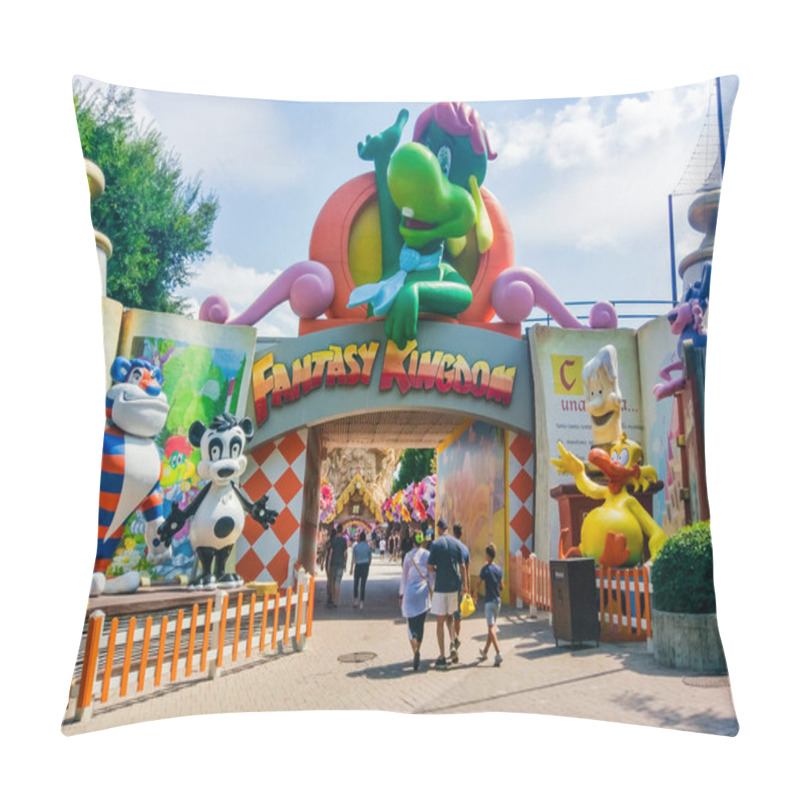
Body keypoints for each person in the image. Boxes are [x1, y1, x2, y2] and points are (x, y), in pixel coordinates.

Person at [426, 518, 467, 669]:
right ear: (448, 529)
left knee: (440, 622)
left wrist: (437, 570)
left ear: (438, 529)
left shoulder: (436, 544)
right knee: (451, 617)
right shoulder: (456, 543)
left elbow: (430, 566)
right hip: (453, 587)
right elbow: (462, 566)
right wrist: (465, 585)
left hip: (440, 587)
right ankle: (453, 641)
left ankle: (442, 656)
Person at [399, 529, 433, 671]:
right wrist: (432, 590)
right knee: (421, 624)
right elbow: (432, 575)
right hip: (423, 593)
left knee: (411, 624)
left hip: (410, 593)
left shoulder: (408, 557)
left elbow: (404, 577)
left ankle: (415, 649)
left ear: (413, 542)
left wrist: (401, 594)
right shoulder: (428, 555)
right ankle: (418, 645)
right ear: (422, 541)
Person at [476, 543, 504, 666]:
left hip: (489, 602)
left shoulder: (485, 569)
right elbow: (502, 586)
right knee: (490, 627)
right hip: (498, 601)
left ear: (487, 555)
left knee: (491, 628)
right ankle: (485, 651)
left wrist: (474, 593)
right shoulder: (498, 570)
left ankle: (498, 654)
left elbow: (478, 583)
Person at [452, 523, 471, 653]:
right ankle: (455, 639)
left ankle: (453, 640)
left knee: (449, 615)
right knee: (458, 616)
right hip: (460, 585)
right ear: (462, 534)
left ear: (453, 533)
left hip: (449, 584)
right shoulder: (465, 549)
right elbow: (467, 570)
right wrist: (467, 586)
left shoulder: (451, 547)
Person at [326, 525, 348, 608]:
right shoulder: (344, 541)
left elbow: (331, 553)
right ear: (342, 531)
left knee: (332, 581)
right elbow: (345, 553)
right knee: (338, 582)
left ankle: (331, 598)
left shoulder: (334, 540)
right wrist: (345, 563)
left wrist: (328, 564)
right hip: (340, 563)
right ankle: (336, 600)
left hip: (333, 563)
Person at [351, 532, 372, 609]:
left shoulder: (356, 547)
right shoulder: (368, 547)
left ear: (359, 538)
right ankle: (362, 602)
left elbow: (353, 558)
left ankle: (356, 599)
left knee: (356, 583)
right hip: (365, 566)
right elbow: (370, 558)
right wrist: (368, 565)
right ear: (365, 538)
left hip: (358, 565)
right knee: (363, 584)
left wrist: (351, 568)